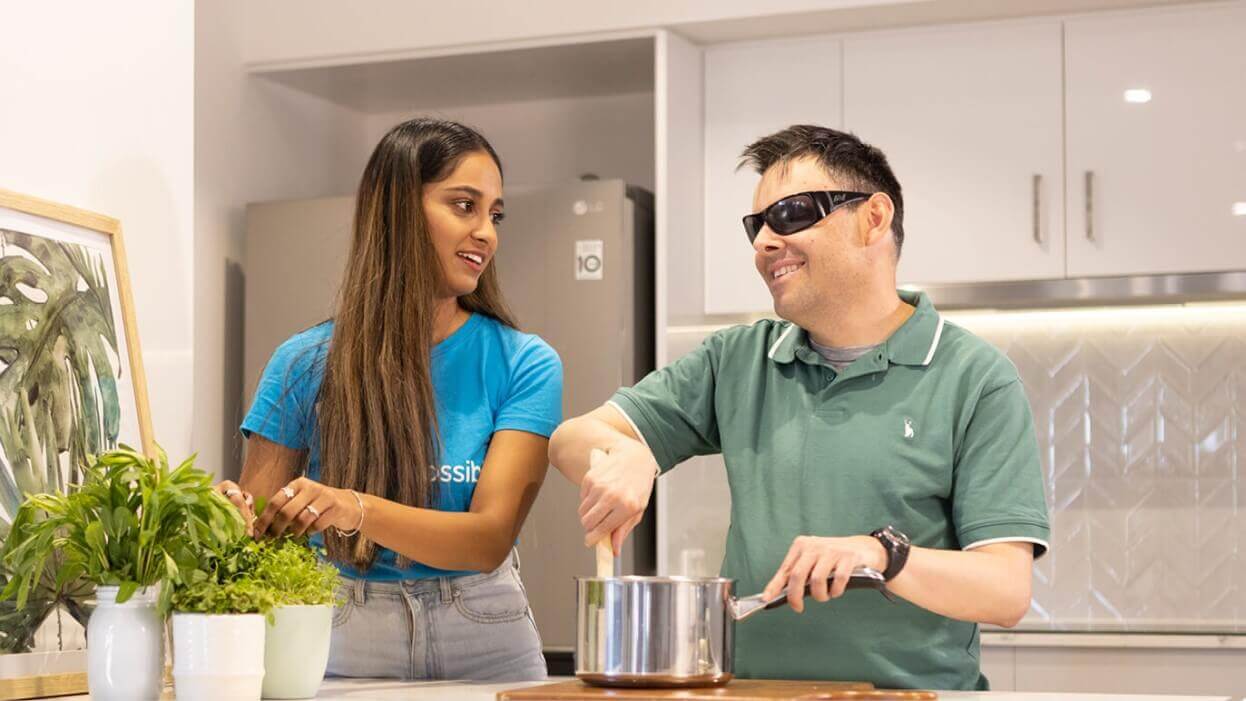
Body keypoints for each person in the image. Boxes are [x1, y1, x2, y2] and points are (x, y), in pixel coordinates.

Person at [547, 125, 1049, 690]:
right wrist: (629, 456)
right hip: (752, 695)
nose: (764, 242)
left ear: (873, 218)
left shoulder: (975, 378)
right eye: (757, 225)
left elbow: (1005, 591)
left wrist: (880, 554)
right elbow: (569, 441)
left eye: (790, 214)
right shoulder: (738, 360)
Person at [217, 118, 561, 682]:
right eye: (464, 206)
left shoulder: (525, 362)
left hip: (487, 637)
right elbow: (258, 542)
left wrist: (354, 508)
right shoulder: (302, 363)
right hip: (340, 634)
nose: (486, 233)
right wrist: (226, 515)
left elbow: (489, 539)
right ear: (398, 210)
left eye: (494, 214)